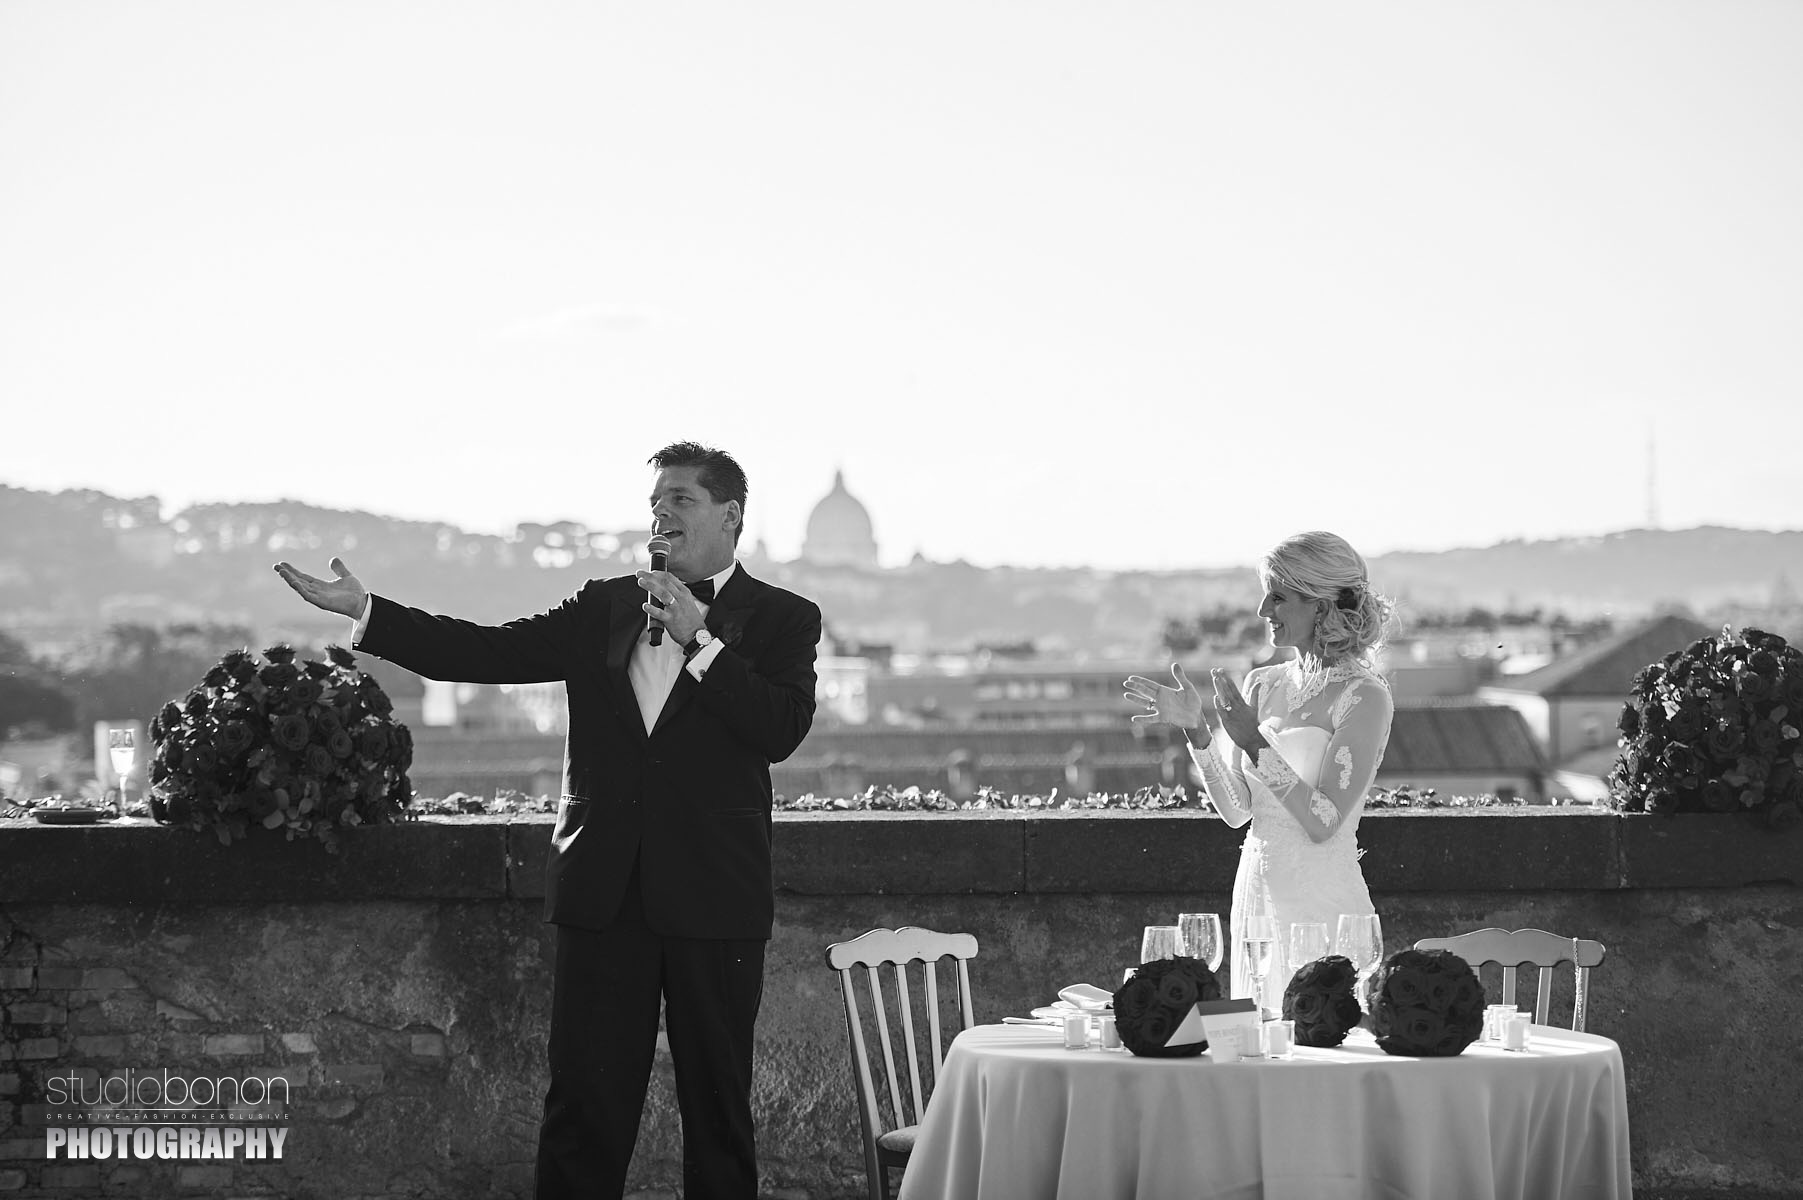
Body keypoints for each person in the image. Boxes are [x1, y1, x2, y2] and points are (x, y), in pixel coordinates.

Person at [273, 442, 821, 1200]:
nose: (660, 513)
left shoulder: (786, 618)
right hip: (603, 896)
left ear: (730, 516)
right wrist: (369, 614)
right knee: (583, 1113)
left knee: (719, 1114)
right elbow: (485, 652)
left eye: (681, 500)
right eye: (655, 502)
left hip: (715, 898)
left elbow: (780, 729)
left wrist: (700, 639)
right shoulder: (604, 606)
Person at [1125, 531, 1394, 1007]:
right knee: (1255, 1036)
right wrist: (1198, 732)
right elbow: (1237, 811)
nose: (1262, 609)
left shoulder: (1365, 696)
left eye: (1278, 597)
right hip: (1255, 900)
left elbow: (1323, 821)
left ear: (1320, 606)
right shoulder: (1262, 685)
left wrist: (1253, 741)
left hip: (1324, 906)